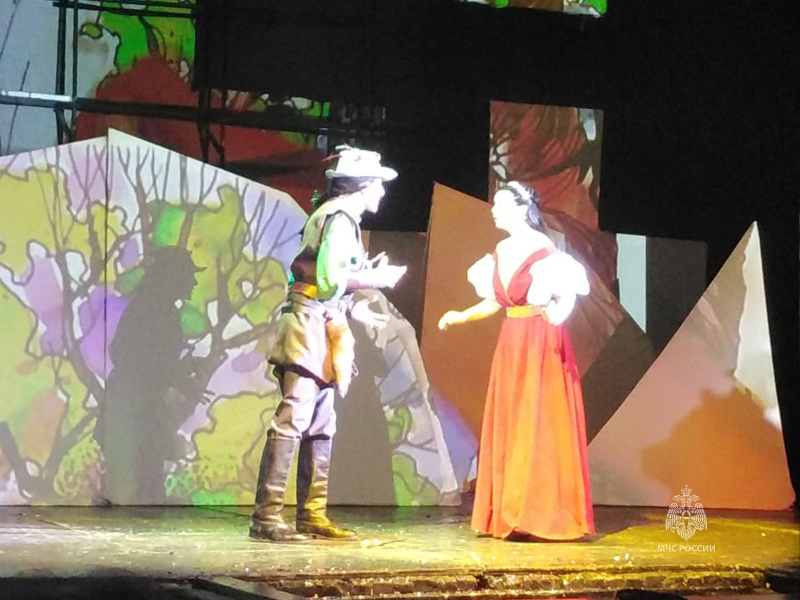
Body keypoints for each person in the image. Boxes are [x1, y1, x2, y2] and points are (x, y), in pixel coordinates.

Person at [250, 146, 407, 542]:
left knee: (321, 423)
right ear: (362, 186)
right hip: (307, 326)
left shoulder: (340, 218)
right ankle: (267, 516)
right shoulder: (339, 217)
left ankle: (312, 515)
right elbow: (329, 280)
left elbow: (324, 283)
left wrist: (352, 308)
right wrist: (377, 280)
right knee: (294, 417)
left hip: (320, 323)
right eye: (378, 185)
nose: (383, 193)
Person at [438, 181, 594, 541]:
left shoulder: (545, 251)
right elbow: (496, 301)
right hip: (512, 341)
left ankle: (540, 512)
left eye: (501, 204)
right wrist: (461, 315)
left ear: (522, 209)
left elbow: (565, 298)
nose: (493, 210)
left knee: (538, 421)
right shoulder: (500, 251)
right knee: (512, 419)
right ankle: (510, 511)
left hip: (541, 340)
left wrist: (557, 312)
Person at [97, 246, 205, 505]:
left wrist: (178, 372)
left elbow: (147, 359)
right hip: (133, 409)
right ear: (173, 276)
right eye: (189, 275)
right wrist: (176, 376)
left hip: (137, 407)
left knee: (145, 481)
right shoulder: (154, 309)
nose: (193, 282)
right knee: (139, 485)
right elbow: (131, 356)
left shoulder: (155, 308)